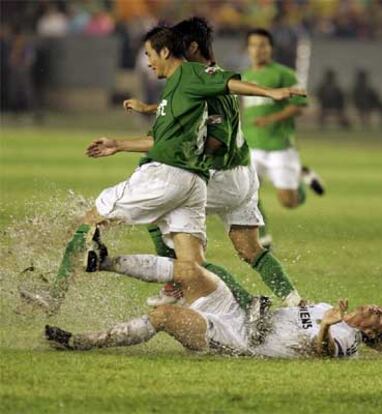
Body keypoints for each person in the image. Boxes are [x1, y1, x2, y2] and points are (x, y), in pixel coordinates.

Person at [21, 25, 306, 314]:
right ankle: (271, 305)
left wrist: (272, 93)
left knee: (96, 219)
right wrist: (130, 131)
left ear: (186, 48)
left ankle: (54, 295)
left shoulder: (197, 74)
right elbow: (178, 115)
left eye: (150, 53)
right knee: (200, 262)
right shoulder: (183, 84)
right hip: (220, 177)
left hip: (202, 175)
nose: (148, 61)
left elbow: (220, 112)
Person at [120, 18, 303, 313]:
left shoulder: (205, 78)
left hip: (223, 176)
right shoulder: (205, 78)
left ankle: (183, 285)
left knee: (160, 208)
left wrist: (184, 158)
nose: (172, 54)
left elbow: (218, 137)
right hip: (244, 175)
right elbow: (192, 105)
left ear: (191, 47)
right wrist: (152, 108)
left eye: (177, 47)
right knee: (250, 249)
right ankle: (297, 302)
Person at [45, 246, 382, 358]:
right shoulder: (325, 307)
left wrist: (325, 326)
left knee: (165, 315)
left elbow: (322, 352)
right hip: (244, 316)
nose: (379, 310)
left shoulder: (347, 340)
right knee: (191, 270)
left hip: (239, 340)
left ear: (370, 334)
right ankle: (102, 261)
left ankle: (82, 342)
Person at [242, 28, 325, 248]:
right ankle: (263, 236)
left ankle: (301, 177)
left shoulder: (284, 74)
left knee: (288, 202)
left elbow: (299, 106)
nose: (258, 50)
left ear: (271, 49)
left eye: (263, 45)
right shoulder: (246, 76)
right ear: (247, 49)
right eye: (254, 45)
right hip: (252, 145)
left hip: (279, 146)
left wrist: (272, 119)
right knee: (246, 192)